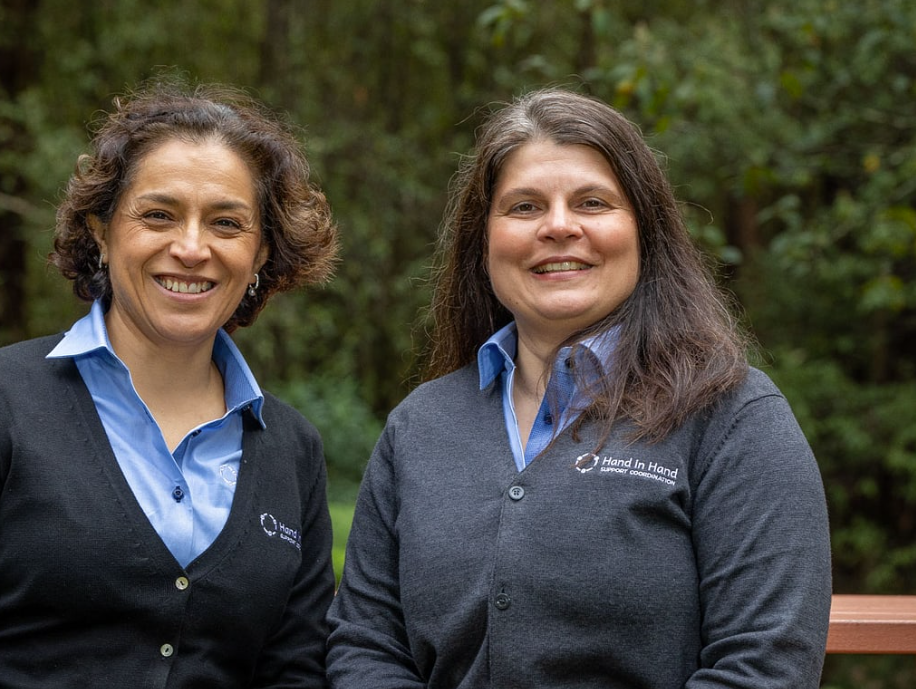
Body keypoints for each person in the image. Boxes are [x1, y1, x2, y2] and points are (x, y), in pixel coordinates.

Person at [327, 88, 831, 688]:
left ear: (645, 231)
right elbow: (364, 645)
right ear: (482, 239)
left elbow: (765, 665)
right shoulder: (419, 426)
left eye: (593, 202)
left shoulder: (732, 416)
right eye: (524, 207)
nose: (559, 227)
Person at [0, 80, 340, 688]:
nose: (191, 248)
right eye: (158, 215)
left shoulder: (291, 450)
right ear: (100, 228)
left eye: (226, 223)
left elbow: (295, 671)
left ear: (261, 252)